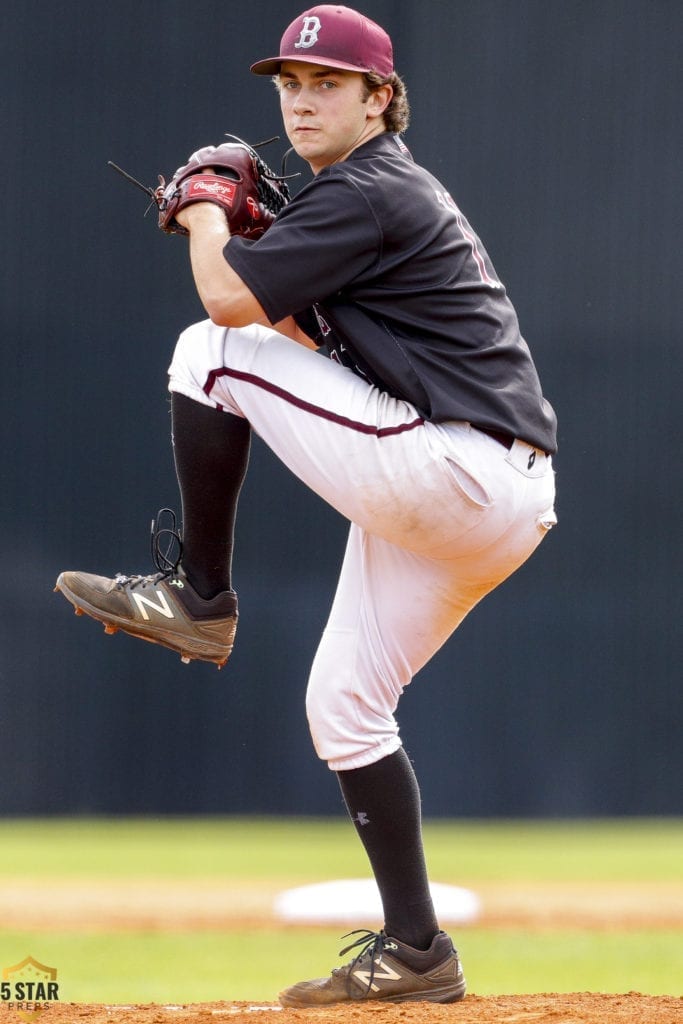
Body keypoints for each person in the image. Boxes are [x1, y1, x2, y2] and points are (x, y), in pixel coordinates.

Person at [56, 3, 558, 1007]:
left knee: (209, 354)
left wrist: (204, 213)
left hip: (454, 471)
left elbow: (229, 306)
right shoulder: (362, 201)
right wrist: (255, 245)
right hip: (490, 495)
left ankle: (200, 595)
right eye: (287, 84)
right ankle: (418, 952)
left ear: (379, 97)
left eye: (325, 82)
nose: (300, 100)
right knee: (344, 709)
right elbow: (297, 324)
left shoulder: (369, 187)